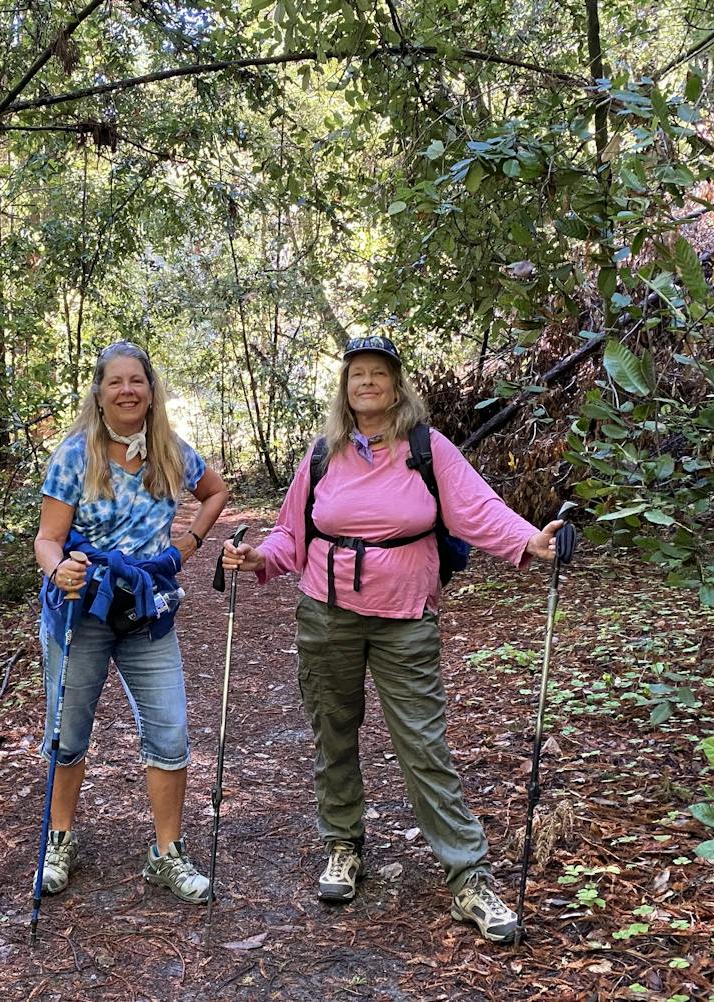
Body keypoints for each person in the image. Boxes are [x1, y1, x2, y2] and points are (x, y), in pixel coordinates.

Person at [222, 334, 562, 945]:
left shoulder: (428, 449)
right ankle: (343, 846)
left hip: (405, 614)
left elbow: (477, 509)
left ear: (397, 386)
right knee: (333, 729)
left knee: (423, 743)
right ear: (345, 390)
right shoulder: (323, 455)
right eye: (357, 375)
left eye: (379, 374)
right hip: (327, 614)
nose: (368, 383)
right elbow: (290, 534)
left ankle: (468, 876)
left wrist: (529, 540)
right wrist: (256, 558)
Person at [34, 340, 229, 903]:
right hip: (82, 608)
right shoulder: (75, 456)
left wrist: (187, 545)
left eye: (136, 381)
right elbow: (47, 540)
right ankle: (59, 839)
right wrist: (60, 571)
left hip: (149, 609)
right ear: (99, 393)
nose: (126, 390)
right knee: (67, 734)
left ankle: (166, 853)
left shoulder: (169, 451)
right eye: (115, 382)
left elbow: (215, 492)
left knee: (170, 732)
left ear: (150, 390)